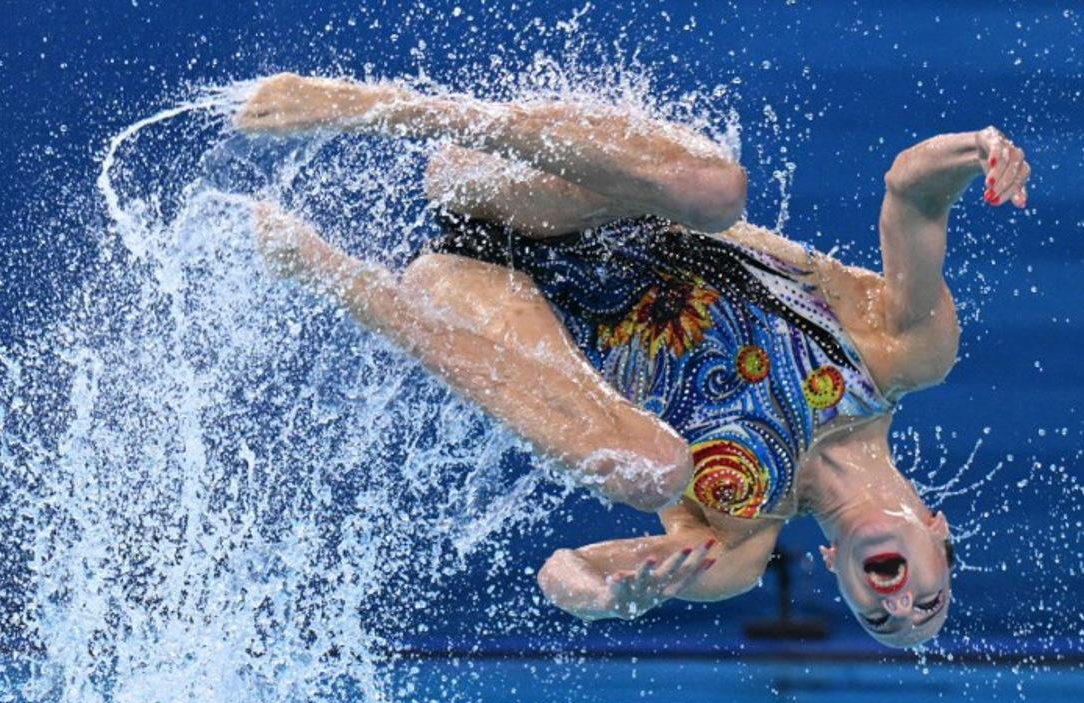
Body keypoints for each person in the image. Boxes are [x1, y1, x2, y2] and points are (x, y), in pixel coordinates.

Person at [236, 73, 1031, 648]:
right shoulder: (900, 355)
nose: (895, 605)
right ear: (936, 532)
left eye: (876, 618)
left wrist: (608, 601)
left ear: (834, 569)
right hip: (536, 177)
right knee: (719, 190)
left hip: (481, 285)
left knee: (647, 470)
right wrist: (980, 153)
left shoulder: (741, 543)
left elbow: (565, 570)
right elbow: (912, 194)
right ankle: (381, 107)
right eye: (925, 604)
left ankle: (331, 275)